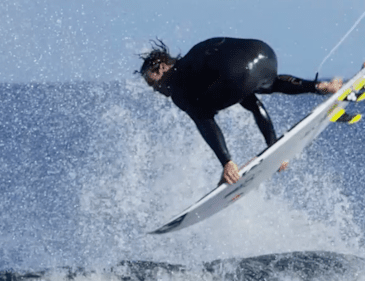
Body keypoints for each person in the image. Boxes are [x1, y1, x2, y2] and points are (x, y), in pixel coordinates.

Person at [139, 37, 342, 185]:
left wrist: (226, 162)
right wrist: (273, 147)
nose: (155, 89)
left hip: (236, 74)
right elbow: (251, 100)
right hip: (265, 54)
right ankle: (321, 87)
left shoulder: (179, 88)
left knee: (202, 110)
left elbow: (205, 123)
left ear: (161, 68)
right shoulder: (195, 59)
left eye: (151, 82)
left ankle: (235, 161)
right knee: (264, 85)